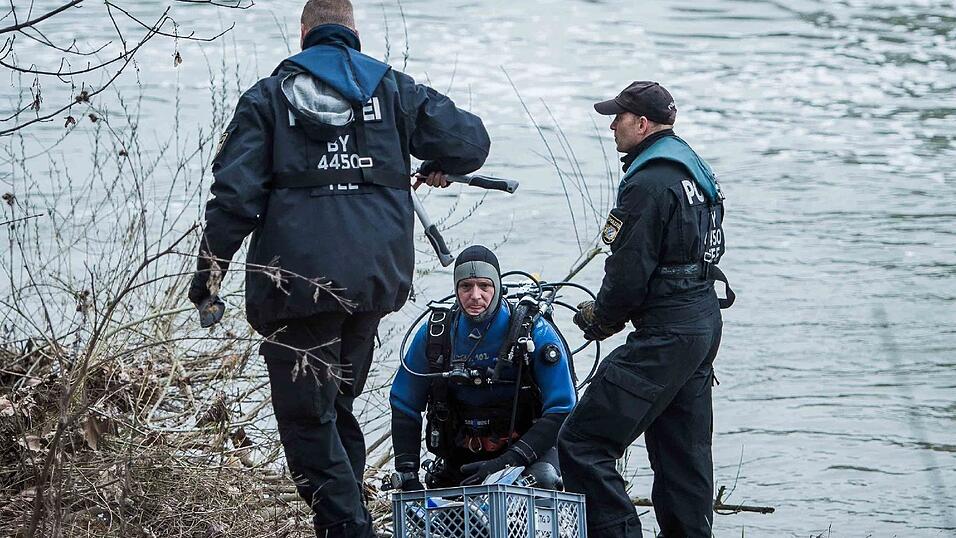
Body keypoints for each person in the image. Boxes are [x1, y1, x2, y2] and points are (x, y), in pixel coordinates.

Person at [187, 1, 490, 536]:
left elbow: (234, 198)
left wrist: (208, 278)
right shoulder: (393, 89)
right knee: (334, 410)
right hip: (372, 282)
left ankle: (350, 528)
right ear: (353, 32)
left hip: (297, 286)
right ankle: (347, 524)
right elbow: (471, 142)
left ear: (304, 33)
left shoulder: (267, 98)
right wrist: (438, 165)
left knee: (308, 422)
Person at [557, 81, 733, 538]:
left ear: (642, 124)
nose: (612, 126)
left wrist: (600, 319)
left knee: (581, 442)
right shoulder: (691, 167)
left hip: (667, 333)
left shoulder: (647, 182)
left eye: (618, 117)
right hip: (701, 322)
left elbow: (629, 270)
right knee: (682, 458)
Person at [388, 245, 576, 491]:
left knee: (544, 478)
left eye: (484, 286)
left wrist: (509, 461)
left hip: (526, 456)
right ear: (456, 289)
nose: (475, 296)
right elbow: (404, 403)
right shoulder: (436, 335)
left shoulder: (533, 332)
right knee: (446, 504)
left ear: (497, 287)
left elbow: (563, 407)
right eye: (466, 286)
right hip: (462, 456)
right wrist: (408, 475)